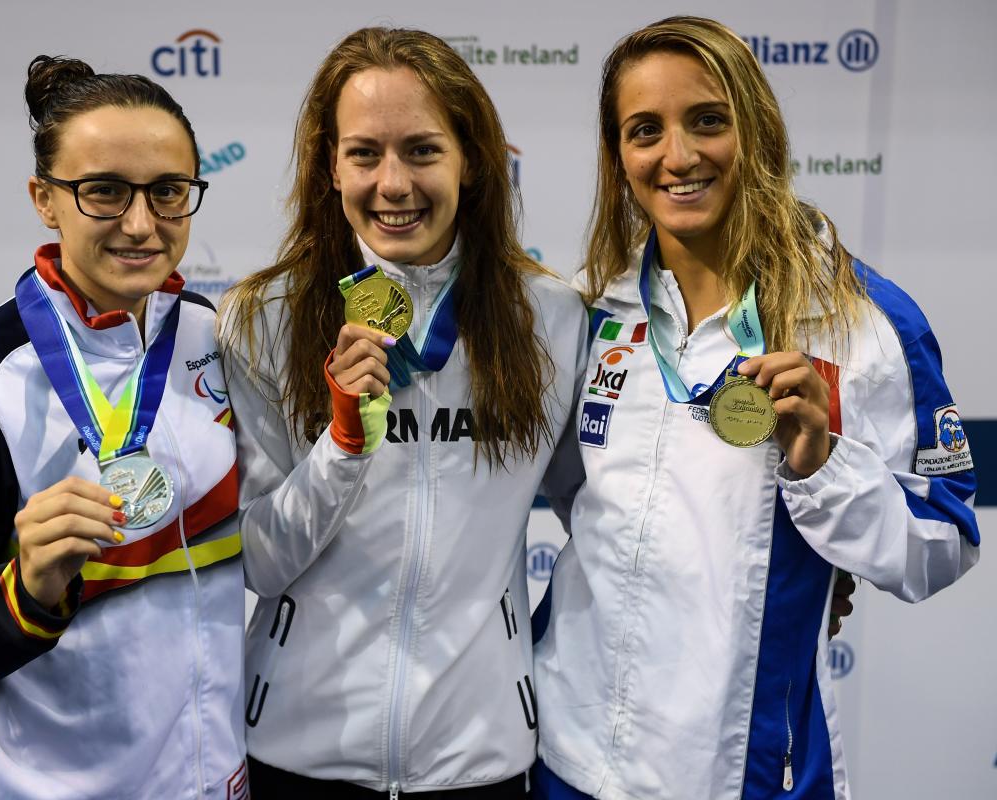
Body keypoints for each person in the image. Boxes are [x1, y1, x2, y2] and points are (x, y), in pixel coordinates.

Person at [530, 16, 979, 800]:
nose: (679, 156)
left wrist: (823, 470)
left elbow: (942, 541)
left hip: (740, 771)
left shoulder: (868, 322)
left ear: (758, 127)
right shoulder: (596, 309)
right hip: (565, 753)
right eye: (646, 131)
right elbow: (580, 498)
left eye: (708, 120)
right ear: (618, 158)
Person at [219, 27, 589, 799]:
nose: (394, 183)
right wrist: (342, 445)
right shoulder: (263, 316)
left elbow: (607, 510)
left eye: (422, 150)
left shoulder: (549, 317)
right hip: (299, 755)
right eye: (364, 154)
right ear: (330, 167)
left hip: (479, 759)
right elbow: (256, 559)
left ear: (472, 161)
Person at [0, 56, 247, 800]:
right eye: (103, 191)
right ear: (46, 199)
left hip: (211, 782)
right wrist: (26, 590)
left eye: (168, 192)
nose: (141, 223)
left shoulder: (216, 338)